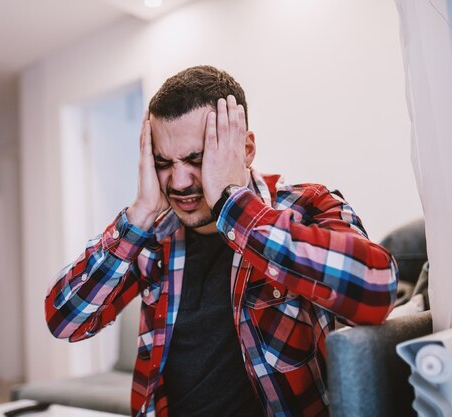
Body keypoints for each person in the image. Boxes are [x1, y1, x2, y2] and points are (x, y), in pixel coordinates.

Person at [45, 65, 398, 417]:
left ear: (245, 149)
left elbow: (376, 289)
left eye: (197, 159)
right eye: (163, 162)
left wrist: (233, 204)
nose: (179, 182)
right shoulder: (152, 236)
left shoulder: (306, 206)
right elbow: (64, 320)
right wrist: (138, 214)